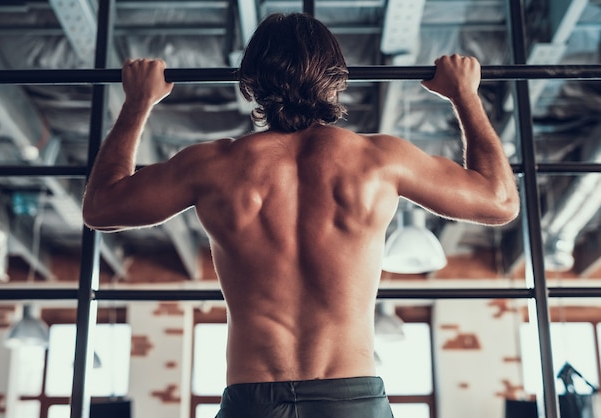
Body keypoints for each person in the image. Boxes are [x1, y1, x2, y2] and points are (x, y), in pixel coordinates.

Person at [82, 12, 519, 418]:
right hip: (352, 398)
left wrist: (138, 102)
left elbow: (101, 207)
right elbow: (499, 201)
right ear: (337, 79)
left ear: (251, 84)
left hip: (254, 398)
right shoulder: (379, 161)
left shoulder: (210, 166)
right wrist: (464, 95)